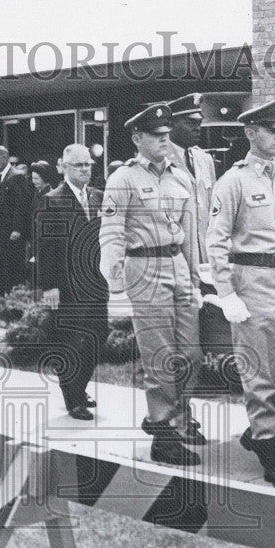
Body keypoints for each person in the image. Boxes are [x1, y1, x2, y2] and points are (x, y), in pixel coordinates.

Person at [206, 99, 275, 490]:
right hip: (252, 280)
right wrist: (226, 292)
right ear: (250, 133)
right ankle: (267, 443)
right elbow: (215, 240)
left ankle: (260, 428)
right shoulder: (233, 180)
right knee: (259, 371)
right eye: (271, 129)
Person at [100, 104, 205, 465]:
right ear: (137, 138)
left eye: (166, 135)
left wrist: (195, 280)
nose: (165, 141)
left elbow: (191, 234)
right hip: (143, 267)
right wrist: (115, 288)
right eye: (156, 136)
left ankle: (175, 418)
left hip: (178, 264)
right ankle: (164, 433)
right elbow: (111, 235)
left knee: (190, 355)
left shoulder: (181, 177)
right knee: (160, 357)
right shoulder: (123, 179)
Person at [35, 144, 107, 420]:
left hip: (97, 284)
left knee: (98, 338)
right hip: (67, 285)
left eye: (88, 164)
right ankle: (73, 398)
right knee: (71, 343)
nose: (85, 169)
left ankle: (80, 386)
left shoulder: (98, 197)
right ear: (63, 167)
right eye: (78, 165)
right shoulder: (52, 199)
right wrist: (49, 286)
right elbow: (45, 247)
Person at [166, 93, 217, 262]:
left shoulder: (205, 160)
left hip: (205, 255)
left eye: (199, 123)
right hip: (176, 257)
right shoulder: (160, 160)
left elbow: (213, 211)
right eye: (190, 123)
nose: (197, 128)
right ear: (171, 125)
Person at [0, 145, 32, 297]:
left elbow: (21, 205)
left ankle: (16, 306)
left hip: (11, 234)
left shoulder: (17, 176)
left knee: (14, 270)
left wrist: (18, 229)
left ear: (5, 158)